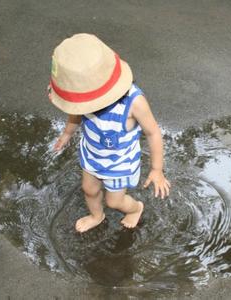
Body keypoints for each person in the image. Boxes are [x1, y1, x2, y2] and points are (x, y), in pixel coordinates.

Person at [47, 33, 170, 233]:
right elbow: (75, 114)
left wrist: (157, 169)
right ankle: (97, 215)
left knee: (115, 201)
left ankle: (136, 208)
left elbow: (153, 132)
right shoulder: (81, 99)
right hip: (92, 155)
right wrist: (67, 133)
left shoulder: (133, 102)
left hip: (119, 163)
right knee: (89, 189)